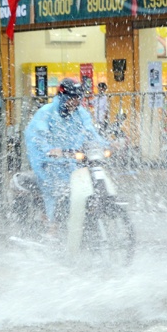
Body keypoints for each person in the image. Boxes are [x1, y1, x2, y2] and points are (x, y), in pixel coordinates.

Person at [24, 78, 112, 234]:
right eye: (72, 97)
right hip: (48, 163)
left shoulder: (80, 113)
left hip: (72, 160)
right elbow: (36, 137)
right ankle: (53, 226)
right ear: (63, 96)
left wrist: (106, 145)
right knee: (55, 190)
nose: (75, 101)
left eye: (78, 97)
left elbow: (90, 132)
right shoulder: (46, 112)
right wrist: (49, 151)